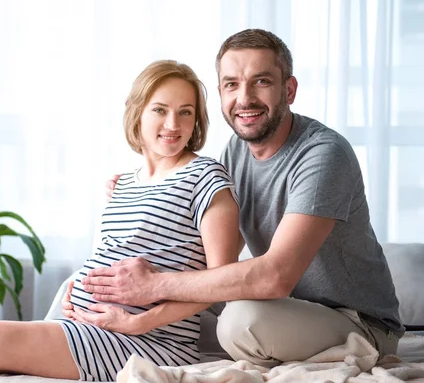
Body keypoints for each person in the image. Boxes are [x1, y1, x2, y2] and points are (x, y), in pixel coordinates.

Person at [81, 29, 404, 368]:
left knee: (240, 321)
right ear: (221, 93)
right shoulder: (236, 151)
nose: (245, 98)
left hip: (355, 322)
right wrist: (142, 188)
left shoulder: (323, 154)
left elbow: (275, 276)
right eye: (232, 84)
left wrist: (154, 286)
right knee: (88, 295)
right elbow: (212, 254)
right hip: (281, 310)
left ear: (289, 90)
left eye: (261, 81)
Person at [0, 60, 241, 383]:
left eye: (185, 112)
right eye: (160, 110)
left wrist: (141, 322)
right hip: (91, 328)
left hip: (152, 342)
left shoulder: (205, 176)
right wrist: (78, 289)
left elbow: (220, 282)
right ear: (137, 112)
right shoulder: (123, 183)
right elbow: (114, 255)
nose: (173, 123)